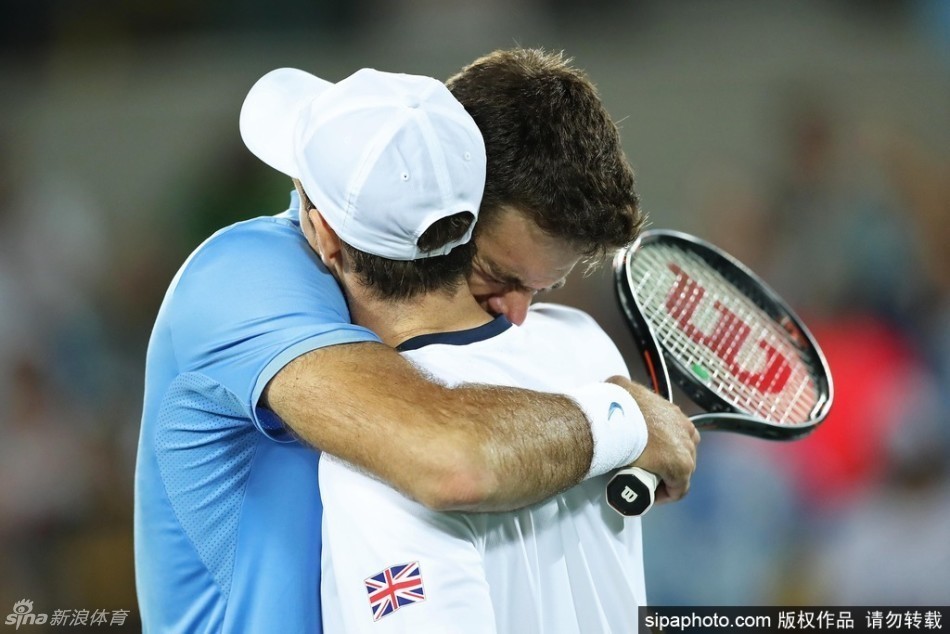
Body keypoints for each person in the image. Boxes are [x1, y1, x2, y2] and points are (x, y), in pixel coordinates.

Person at [134, 55, 697, 633]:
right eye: (500, 277)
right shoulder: (239, 280)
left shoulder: (566, 351)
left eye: (542, 288)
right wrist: (624, 420)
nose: (520, 315)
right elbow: (450, 459)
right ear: (452, 220)